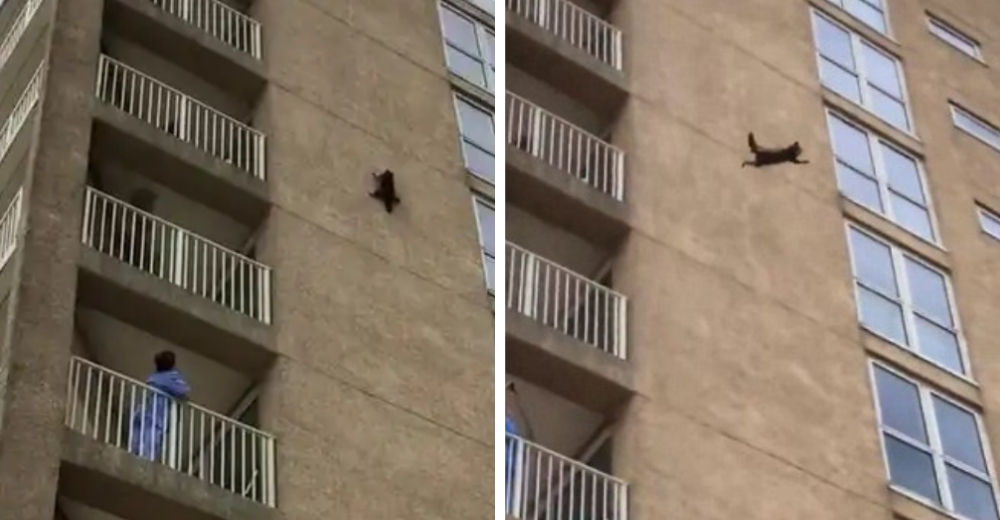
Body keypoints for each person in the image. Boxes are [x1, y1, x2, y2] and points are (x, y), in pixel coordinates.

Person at [130, 350, 190, 461]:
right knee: (150, 442)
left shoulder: (153, 377)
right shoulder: (172, 376)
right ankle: (144, 464)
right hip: (156, 414)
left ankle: (133, 459)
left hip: (142, 410)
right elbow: (183, 391)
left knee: (136, 443)